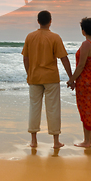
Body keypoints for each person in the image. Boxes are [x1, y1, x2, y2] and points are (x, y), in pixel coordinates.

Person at [22, 10, 73, 149]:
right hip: (51, 77)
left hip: (35, 77)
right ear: (50, 21)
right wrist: (71, 77)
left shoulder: (30, 37)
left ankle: (33, 140)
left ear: (38, 21)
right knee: (53, 109)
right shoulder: (55, 37)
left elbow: (25, 58)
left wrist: (29, 74)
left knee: (34, 107)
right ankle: (56, 141)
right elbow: (63, 58)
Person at [67, 17, 91, 148]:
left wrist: (71, 80)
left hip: (85, 83)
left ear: (83, 31)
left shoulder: (86, 44)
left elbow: (81, 66)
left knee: (85, 110)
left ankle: (86, 141)